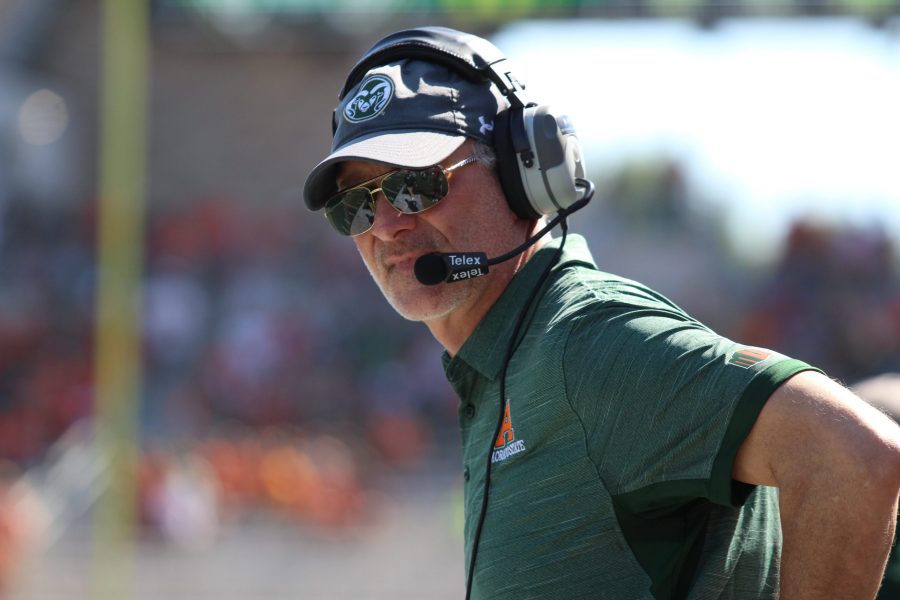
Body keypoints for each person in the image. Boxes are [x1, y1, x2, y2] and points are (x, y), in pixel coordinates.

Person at [302, 26, 900, 600]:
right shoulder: (508, 363)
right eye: (354, 206)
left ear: (523, 173)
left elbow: (854, 456)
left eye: (416, 184)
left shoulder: (586, 343)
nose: (385, 225)